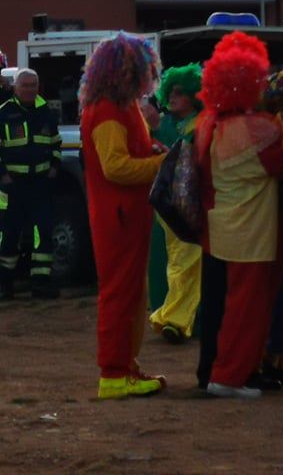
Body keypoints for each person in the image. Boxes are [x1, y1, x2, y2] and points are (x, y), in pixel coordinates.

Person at [194, 32, 283, 399]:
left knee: (218, 306)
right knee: (245, 308)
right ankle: (230, 377)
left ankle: (219, 371)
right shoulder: (261, 129)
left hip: (216, 226)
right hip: (249, 233)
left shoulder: (207, 124)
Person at [79, 34, 168, 399]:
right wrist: (161, 163)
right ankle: (114, 372)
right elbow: (115, 167)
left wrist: (152, 149)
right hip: (119, 217)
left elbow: (128, 152)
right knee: (120, 293)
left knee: (131, 292)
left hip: (127, 215)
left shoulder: (120, 106)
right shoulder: (108, 110)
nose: (146, 78)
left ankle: (125, 366)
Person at [148, 64, 203, 344]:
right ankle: (165, 311)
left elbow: (194, 158)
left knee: (188, 262)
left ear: (194, 95)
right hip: (164, 207)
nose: (172, 97)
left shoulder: (201, 123)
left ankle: (178, 320)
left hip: (190, 206)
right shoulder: (163, 122)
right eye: (170, 92)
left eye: (180, 92)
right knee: (164, 261)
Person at [0, 69, 62, 300]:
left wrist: (54, 167)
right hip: (12, 187)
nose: (29, 89)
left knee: (42, 233)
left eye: (33, 85)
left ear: (38, 87)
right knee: (8, 234)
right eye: (24, 85)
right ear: (15, 87)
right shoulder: (4, 113)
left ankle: (41, 283)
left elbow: (55, 142)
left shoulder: (46, 112)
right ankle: (4, 284)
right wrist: (3, 176)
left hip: (40, 185)